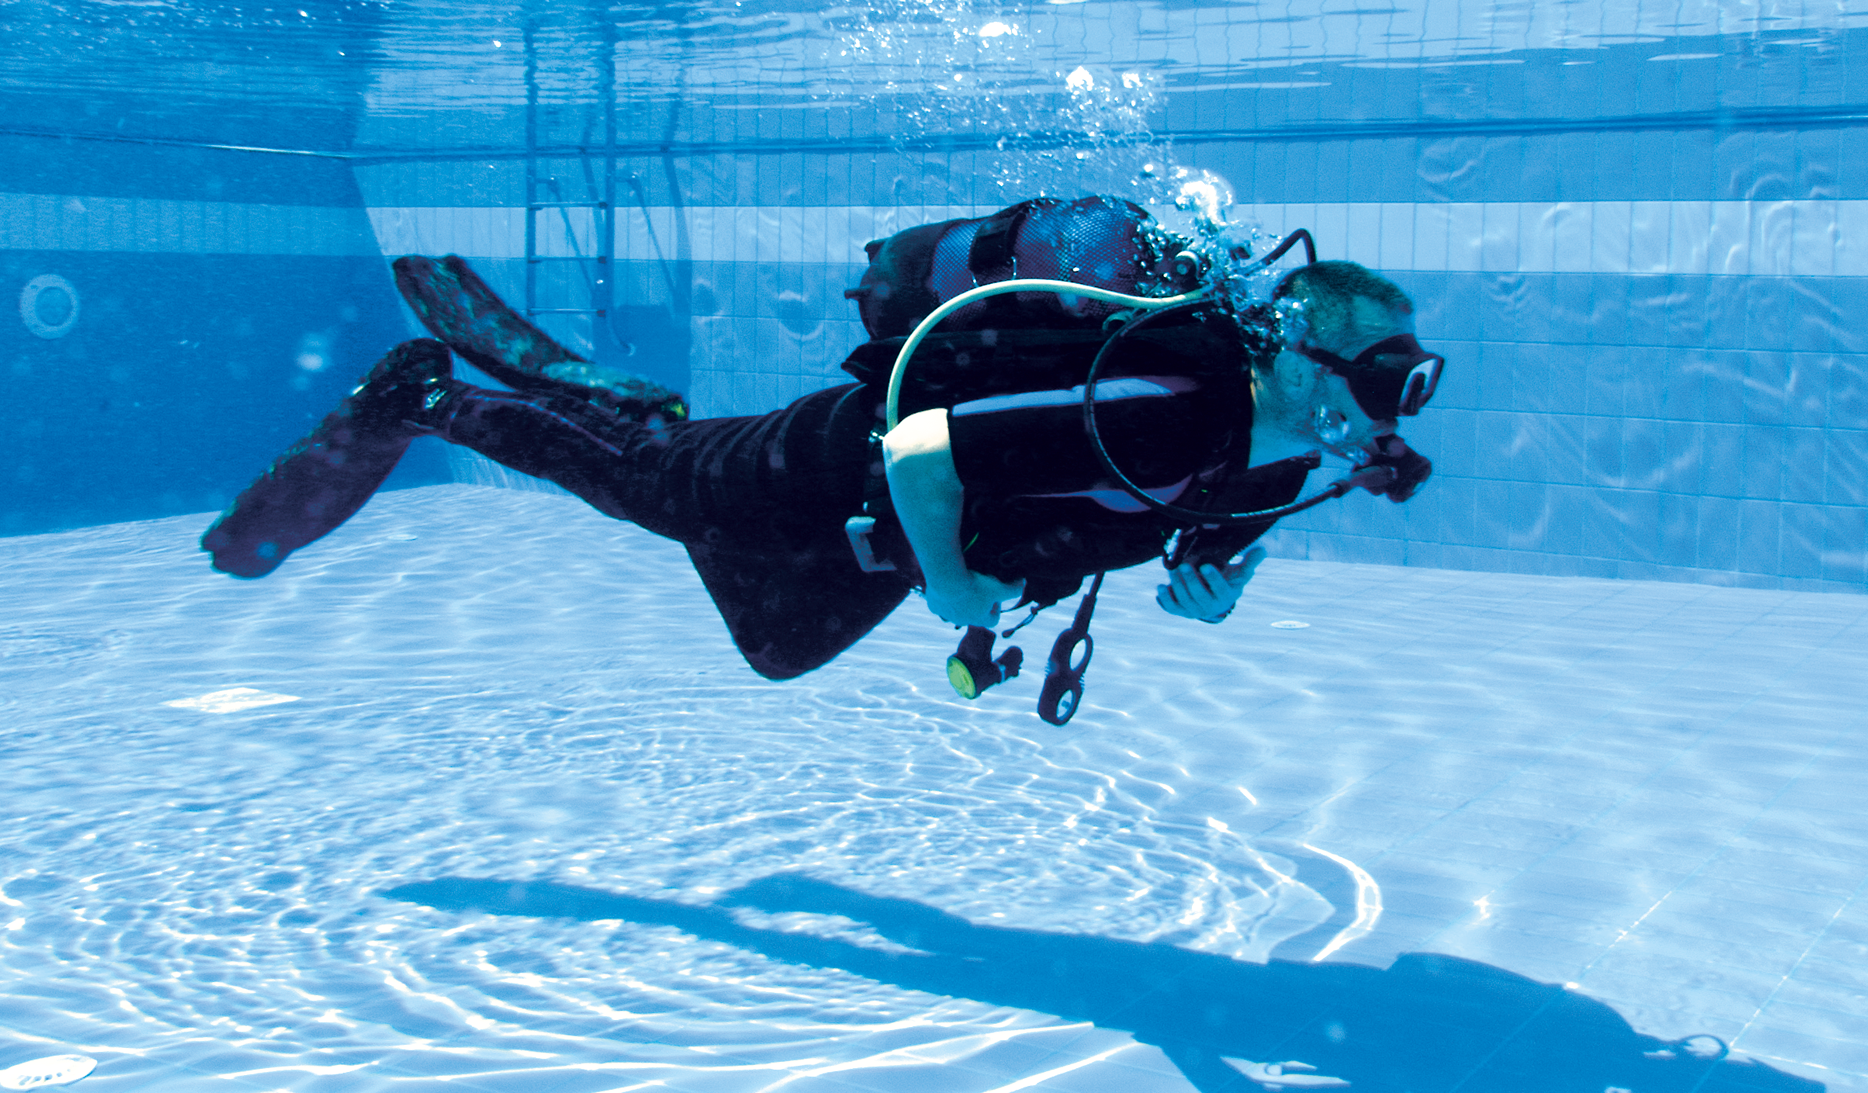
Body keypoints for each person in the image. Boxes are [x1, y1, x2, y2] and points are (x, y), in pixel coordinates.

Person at [201, 193, 1443, 696]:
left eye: (1412, 378)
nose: (1398, 403)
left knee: (777, 648)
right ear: (1297, 354)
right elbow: (924, 444)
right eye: (1385, 370)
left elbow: (1195, 583)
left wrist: (1212, 600)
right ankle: (433, 401)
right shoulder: (1168, 399)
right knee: (644, 489)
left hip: (889, 549)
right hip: (847, 464)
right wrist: (959, 585)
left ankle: (644, 422)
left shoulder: (1282, 463)